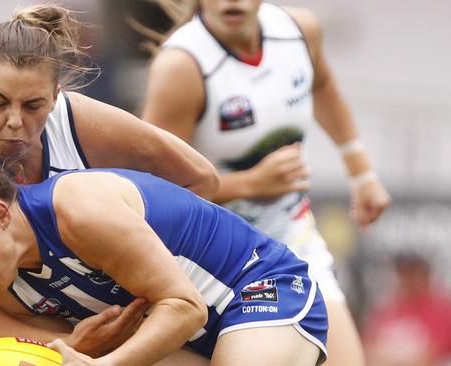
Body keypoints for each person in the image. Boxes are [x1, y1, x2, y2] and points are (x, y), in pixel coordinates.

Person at [0, 3, 220, 356]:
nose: (14, 120)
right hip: (51, 324)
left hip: (139, 304)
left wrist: (142, 270)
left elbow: (200, 179)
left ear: (55, 97)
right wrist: (69, 345)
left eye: (33, 106)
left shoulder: (77, 119)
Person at [0, 136, 328, 366]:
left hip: (259, 290)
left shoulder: (77, 211)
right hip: (189, 338)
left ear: (1, 214)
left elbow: (186, 307)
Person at [140, 1, 392, 365]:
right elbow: (153, 191)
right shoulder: (181, 65)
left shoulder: (300, 30)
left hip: (293, 242)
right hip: (213, 260)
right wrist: (248, 184)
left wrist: (362, 172)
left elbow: (323, 87)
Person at [362, 253, 451, 366]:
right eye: (403, 272)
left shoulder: (441, 309)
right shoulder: (387, 309)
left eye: (413, 272)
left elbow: (431, 356)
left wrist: (387, 357)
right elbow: (366, 351)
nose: (408, 278)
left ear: (426, 274)